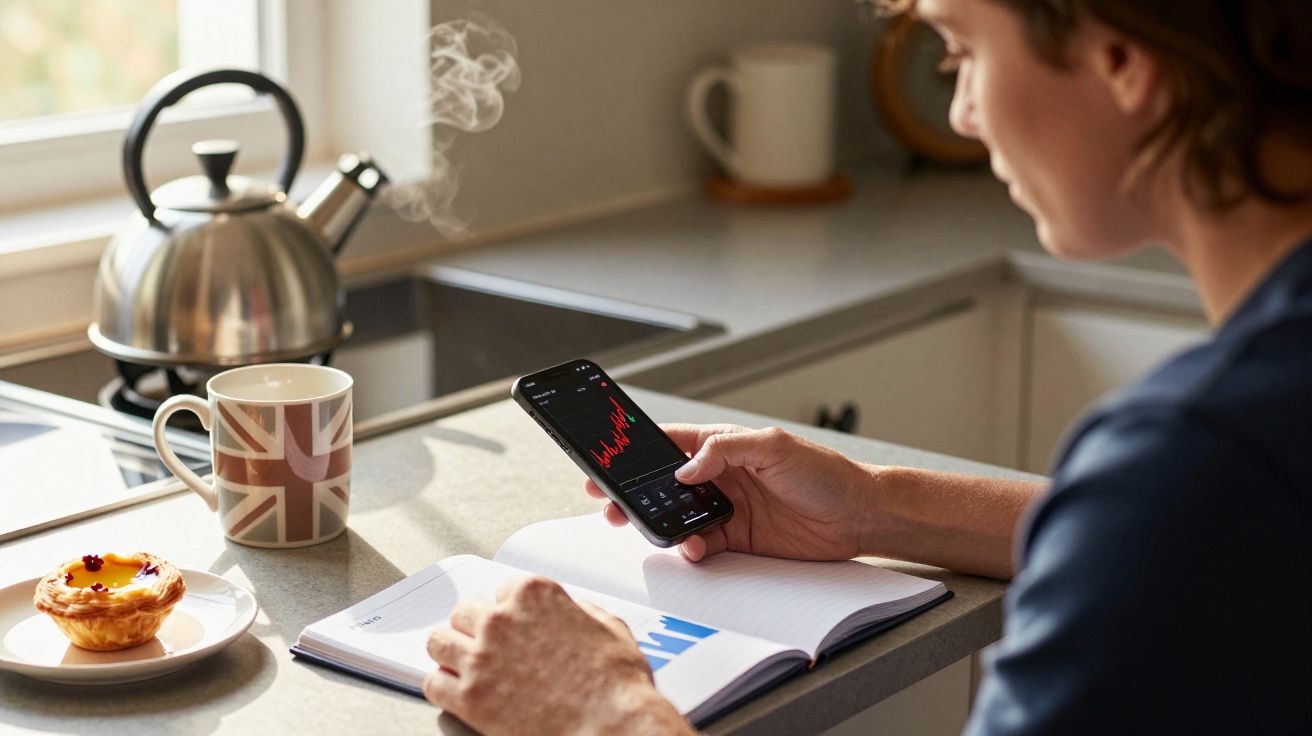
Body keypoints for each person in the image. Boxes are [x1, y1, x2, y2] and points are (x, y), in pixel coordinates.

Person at [421, 0, 1312, 733]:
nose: (961, 112)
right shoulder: (1224, 452)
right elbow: (1200, 537)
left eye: (963, 51)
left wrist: (598, 711)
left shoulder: (1197, 458)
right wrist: (875, 506)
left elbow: (1182, 512)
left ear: (1121, 57)